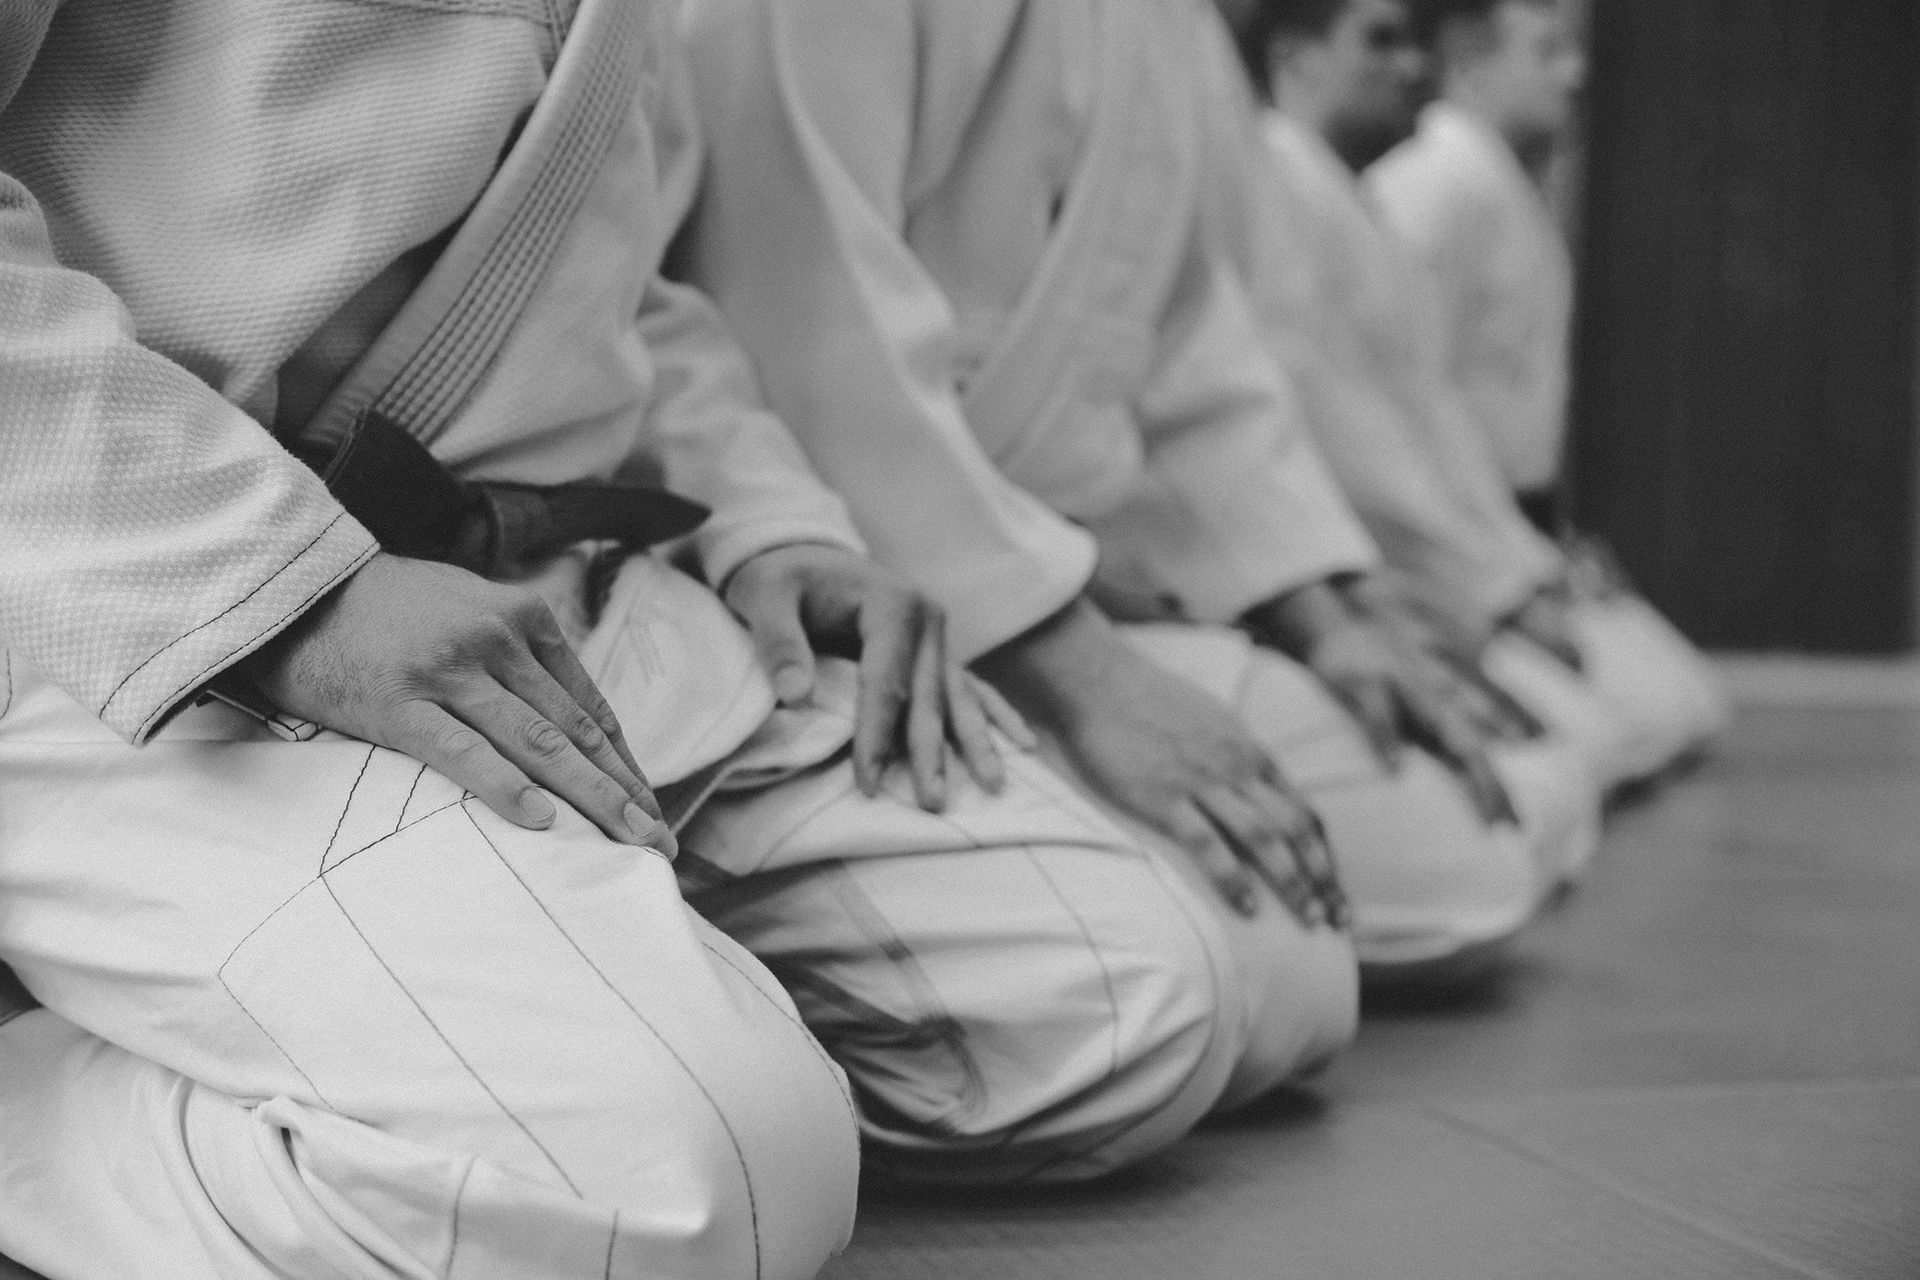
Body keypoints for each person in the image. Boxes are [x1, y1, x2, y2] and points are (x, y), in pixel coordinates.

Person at [0, 2, 1357, 1276]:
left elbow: (627, 289)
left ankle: (595, 1022)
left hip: (561, 604)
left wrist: (776, 528)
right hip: (167, 595)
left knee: (1152, 1009)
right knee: (677, 1189)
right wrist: (295, 591)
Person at [676, 0, 1599, 981]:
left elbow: (1191, 353)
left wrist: (1321, 614)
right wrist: (1086, 675)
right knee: (1253, 974)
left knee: (1482, 840)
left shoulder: (1169, 21)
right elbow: (809, 337)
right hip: (869, 588)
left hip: (1053, 582)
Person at [1216, 0, 1619, 852]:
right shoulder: (1288, 176)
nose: (1415, 70)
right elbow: (1320, 440)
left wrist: (1519, 571)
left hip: (1374, 565)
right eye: (1382, 41)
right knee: (1532, 807)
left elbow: (1424, 420)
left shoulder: (1337, 191)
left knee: (1597, 753)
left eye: (1417, 43)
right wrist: (1349, 610)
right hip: (1284, 573)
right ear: (1296, 55)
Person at [1367, 0, 1728, 782]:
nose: (1574, 74)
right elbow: (1409, 406)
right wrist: (1501, 577)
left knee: (1688, 705)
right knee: (1628, 735)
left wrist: (1547, 545)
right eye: (1545, 51)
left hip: (1510, 524)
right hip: (1443, 536)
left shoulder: (1497, 182)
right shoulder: (1433, 183)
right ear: (1470, 66)